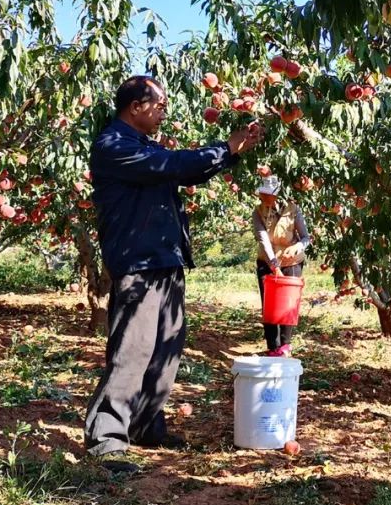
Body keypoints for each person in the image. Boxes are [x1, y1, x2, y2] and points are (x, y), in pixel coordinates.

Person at [84, 75, 264, 472]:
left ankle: (145, 425)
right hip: (138, 262)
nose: (164, 111)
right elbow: (174, 165)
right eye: (160, 104)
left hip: (165, 259)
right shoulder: (113, 146)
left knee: (165, 348)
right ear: (136, 107)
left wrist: (232, 152)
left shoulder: (144, 145)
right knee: (133, 350)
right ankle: (106, 438)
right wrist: (226, 147)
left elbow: (187, 172)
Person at [251, 176, 311, 357]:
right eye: (262, 194)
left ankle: (285, 345)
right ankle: (272, 346)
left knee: (288, 302)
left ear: (277, 194)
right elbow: (263, 240)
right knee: (269, 303)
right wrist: (274, 265)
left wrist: (296, 247)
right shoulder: (258, 212)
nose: (263, 197)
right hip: (267, 261)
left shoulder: (293, 210)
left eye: (267, 194)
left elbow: (306, 238)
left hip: (291, 261)